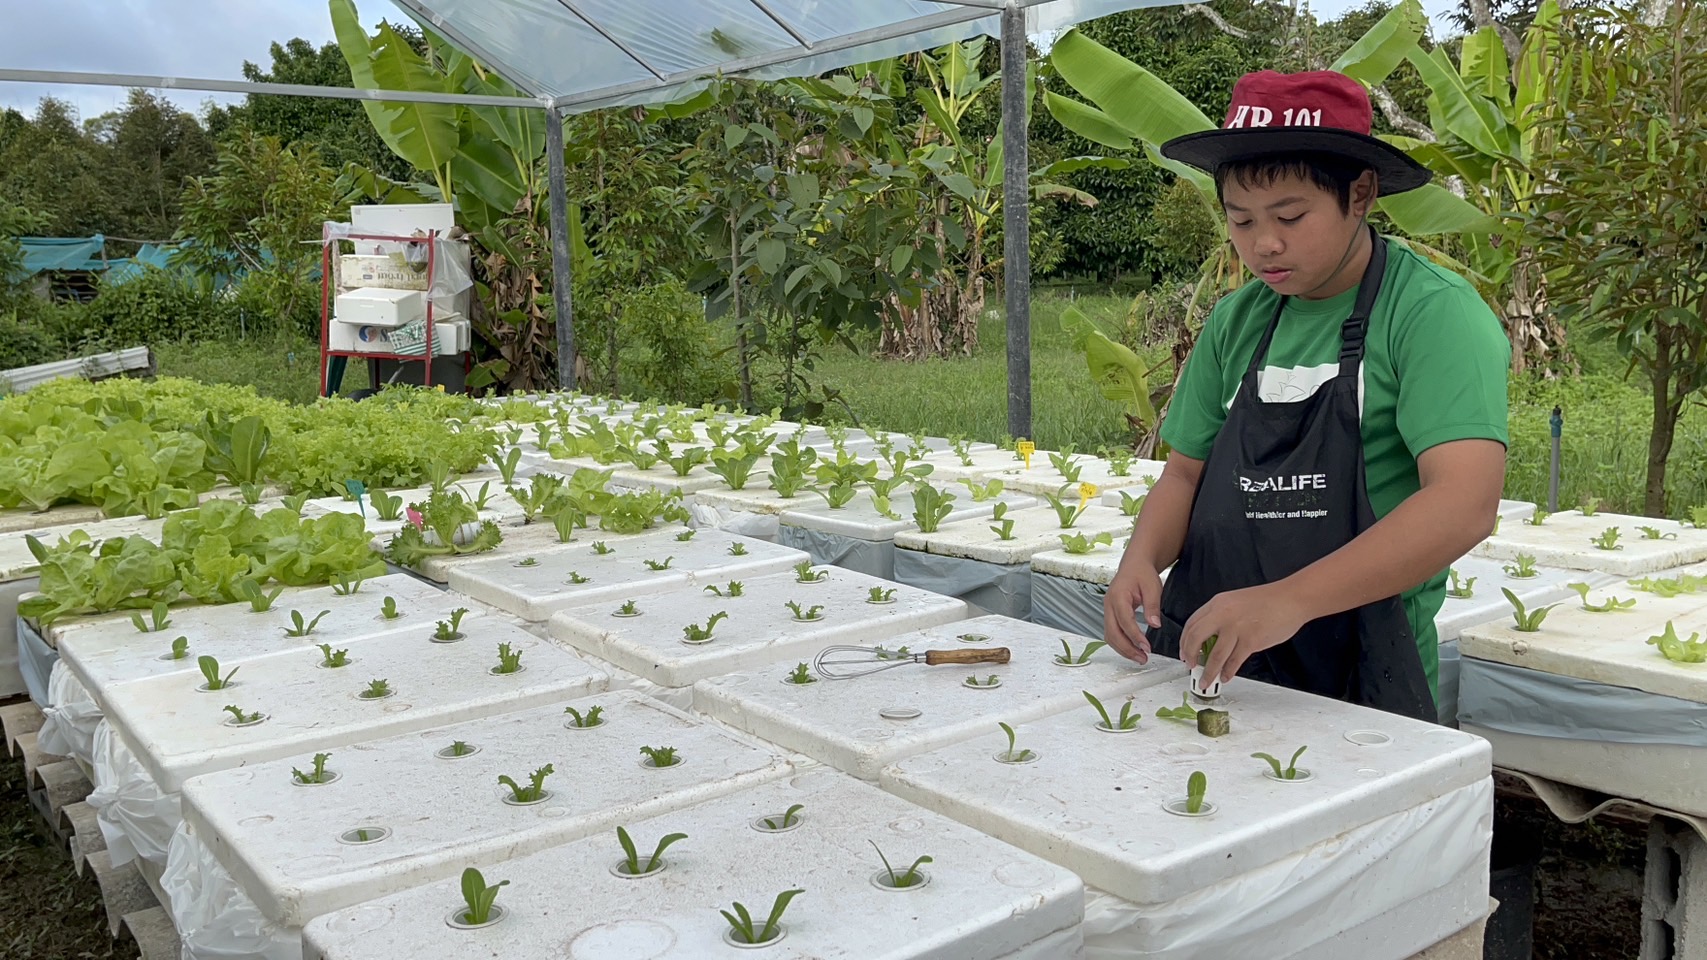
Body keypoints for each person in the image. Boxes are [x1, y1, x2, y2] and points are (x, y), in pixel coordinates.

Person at [1101, 70, 1510, 722]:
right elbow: (1182, 475)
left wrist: (1287, 600)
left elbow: (1463, 505)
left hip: (1361, 675)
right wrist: (1138, 559)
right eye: (1240, 220)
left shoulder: (1431, 313)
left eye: (1290, 216)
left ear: (1361, 193)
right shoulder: (1237, 320)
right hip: (1216, 657)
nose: (1263, 243)